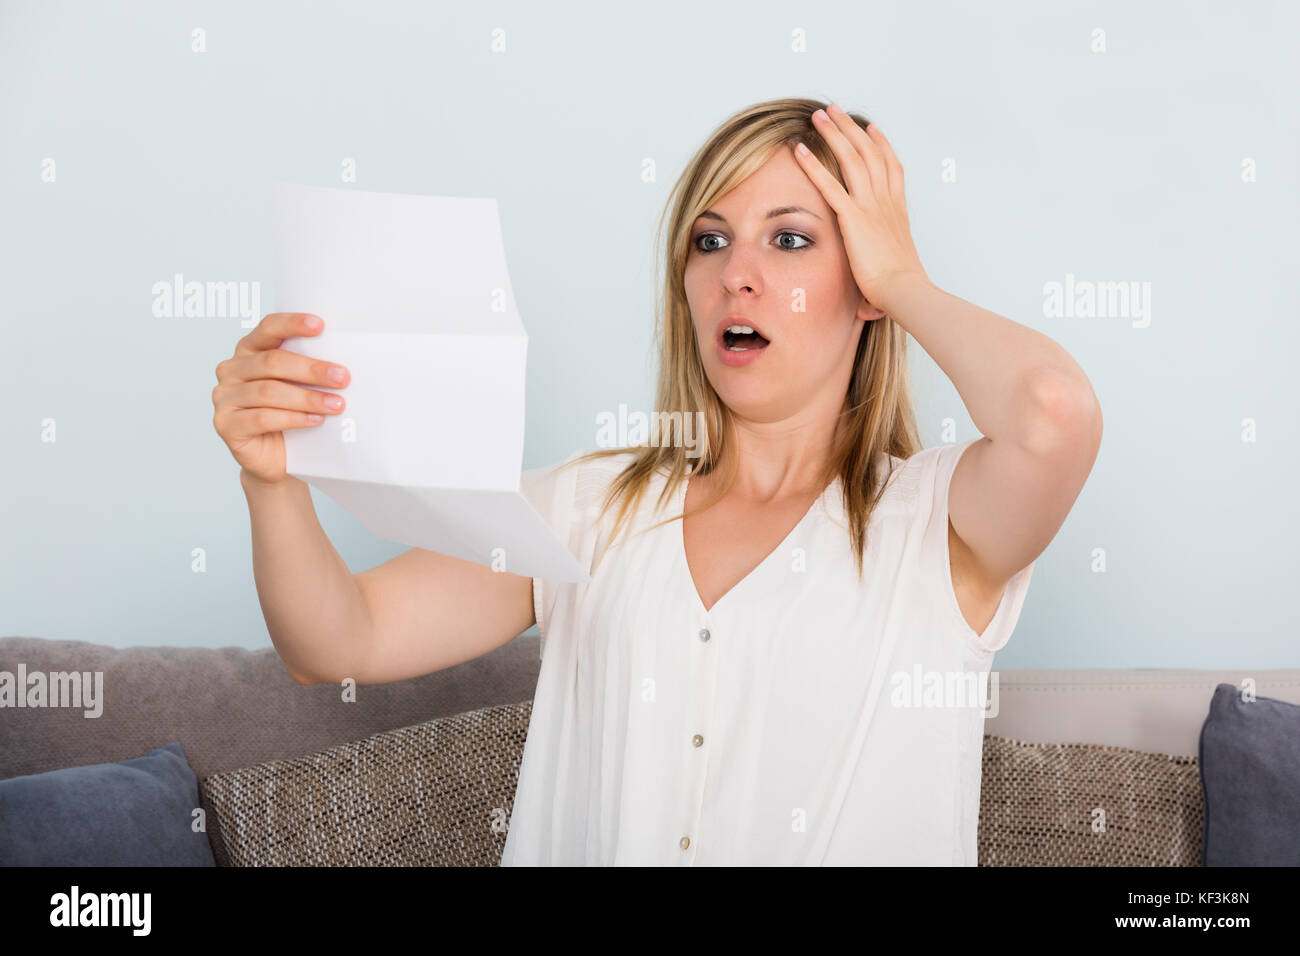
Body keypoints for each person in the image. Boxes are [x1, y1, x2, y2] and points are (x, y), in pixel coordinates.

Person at [211, 97, 1102, 865]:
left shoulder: (937, 525)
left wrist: (903, 277)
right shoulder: (590, 508)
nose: (736, 274)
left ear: (864, 285)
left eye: (790, 240)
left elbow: (1053, 412)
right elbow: (336, 641)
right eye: (709, 241)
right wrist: (273, 481)